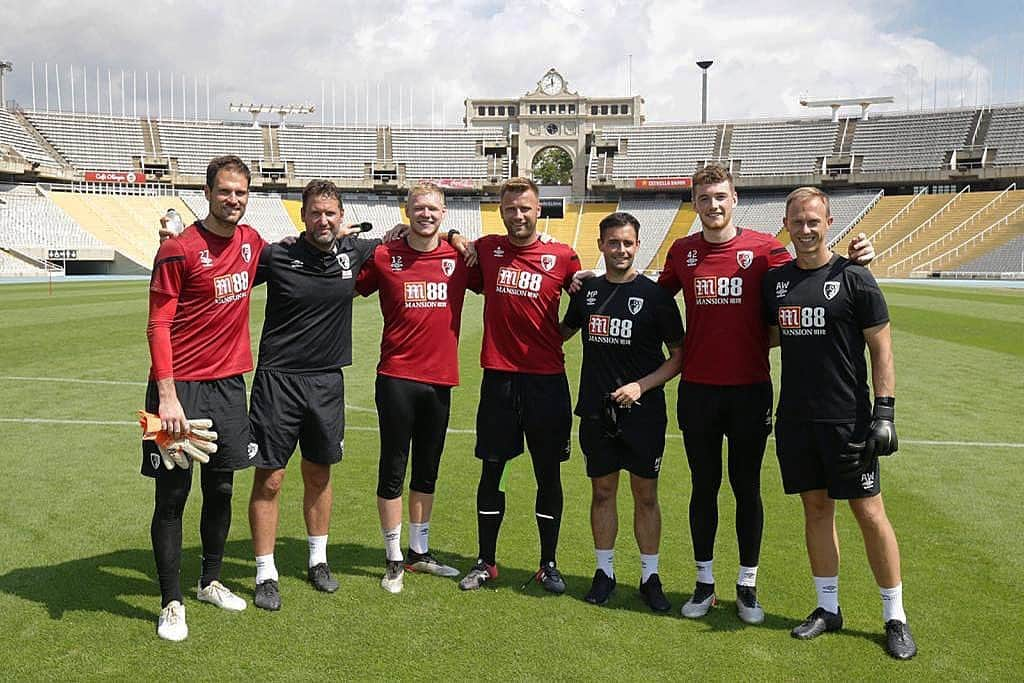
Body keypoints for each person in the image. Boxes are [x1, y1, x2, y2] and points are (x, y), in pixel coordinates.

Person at [656, 165, 874, 623]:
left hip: (751, 392)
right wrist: (587, 285)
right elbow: (654, 299)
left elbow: (814, 271)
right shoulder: (682, 252)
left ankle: (748, 585)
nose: (713, 205)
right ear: (694, 204)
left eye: (720, 196)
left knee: (746, 489)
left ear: (734, 199)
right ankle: (703, 581)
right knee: (703, 488)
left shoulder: (765, 250)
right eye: (704, 198)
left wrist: (858, 260)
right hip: (697, 391)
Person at [762, 187, 915, 660]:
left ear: (829, 222)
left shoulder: (855, 278)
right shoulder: (777, 283)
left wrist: (884, 413)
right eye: (796, 222)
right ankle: (828, 608)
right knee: (815, 510)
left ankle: (895, 616)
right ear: (786, 225)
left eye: (813, 221)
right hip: (797, 420)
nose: (805, 230)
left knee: (869, 513)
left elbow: (881, 346)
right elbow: (766, 336)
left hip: (848, 419)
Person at [143, 155, 264, 641]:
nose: (233, 199)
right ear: (208, 193)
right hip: (176, 390)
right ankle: (171, 601)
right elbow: (158, 323)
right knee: (172, 495)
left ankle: (209, 580)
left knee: (222, 488)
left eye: (240, 192)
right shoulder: (178, 249)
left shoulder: (252, 242)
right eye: (225, 191)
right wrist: (167, 398)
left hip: (229, 387)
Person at [246, 180, 377, 611]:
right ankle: (266, 571)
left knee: (319, 475)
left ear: (341, 217)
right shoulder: (277, 255)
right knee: (271, 477)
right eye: (316, 213)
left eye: (331, 213)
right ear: (303, 217)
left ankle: (318, 560)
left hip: (326, 382)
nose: (324, 220)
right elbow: (229, 269)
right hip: (277, 380)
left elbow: (401, 239)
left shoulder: (354, 252)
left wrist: (453, 236)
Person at [458, 177, 581, 593]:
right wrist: (454, 235)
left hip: (547, 383)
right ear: (501, 210)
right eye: (510, 209)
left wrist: (562, 332)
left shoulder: (562, 256)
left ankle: (548, 564)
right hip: (499, 381)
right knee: (494, 470)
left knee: (548, 474)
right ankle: (485, 561)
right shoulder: (490, 249)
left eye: (525, 208)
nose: (518, 215)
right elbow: (449, 245)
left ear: (539, 208)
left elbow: (583, 298)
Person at [560, 212, 684, 612]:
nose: (621, 250)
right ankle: (604, 573)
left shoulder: (657, 297)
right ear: (601, 245)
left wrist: (641, 386)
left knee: (645, 496)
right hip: (597, 412)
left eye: (628, 243)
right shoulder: (588, 293)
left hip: (644, 412)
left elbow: (678, 358)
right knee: (602, 492)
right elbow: (560, 332)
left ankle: (650, 577)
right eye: (613, 242)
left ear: (638, 245)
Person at [355, 182, 474, 593]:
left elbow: (499, 267)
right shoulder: (386, 255)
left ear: (444, 213)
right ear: (407, 211)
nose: (426, 214)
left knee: (427, 468)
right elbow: (347, 284)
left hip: (440, 379)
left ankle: (420, 553)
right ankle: (393, 558)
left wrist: (459, 238)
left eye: (433, 209)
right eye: (418, 207)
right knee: (393, 467)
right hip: (397, 378)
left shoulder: (459, 258)